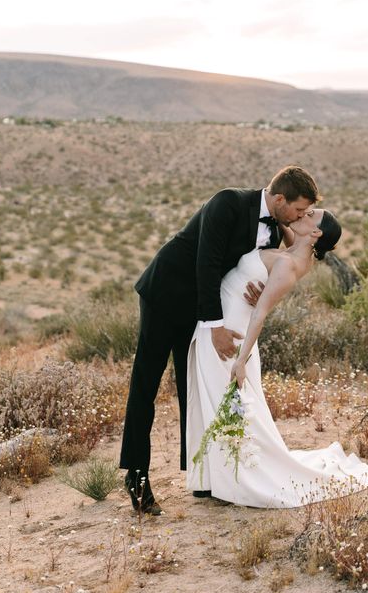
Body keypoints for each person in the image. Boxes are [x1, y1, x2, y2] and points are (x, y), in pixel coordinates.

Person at [119, 166, 319, 514]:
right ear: (279, 199)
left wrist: (253, 291)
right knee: (146, 384)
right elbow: (207, 263)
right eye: (299, 210)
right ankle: (136, 476)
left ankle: (202, 476)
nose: (300, 216)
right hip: (167, 294)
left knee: (192, 387)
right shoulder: (228, 202)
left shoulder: (273, 230)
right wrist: (217, 326)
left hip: (200, 306)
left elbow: (241, 268)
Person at [186, 208, 368, 507]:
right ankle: (217, 479)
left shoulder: (290, 265)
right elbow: (279, 216)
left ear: (315, 233)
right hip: (225, 318)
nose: (305, 213)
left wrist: (241, 360)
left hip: (234, 333)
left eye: (311, 214)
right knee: (215, 399)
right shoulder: (293, 243)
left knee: (229, 403)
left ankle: (238, 477)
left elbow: (261, 314)